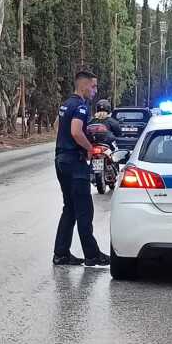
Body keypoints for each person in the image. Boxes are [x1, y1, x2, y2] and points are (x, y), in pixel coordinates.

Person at [52, 71, 111, 267]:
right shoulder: (81, 106)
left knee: (69, 208)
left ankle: (61, 253)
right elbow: (76, 131)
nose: (95, 90)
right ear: (84, 86)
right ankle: (92, 255)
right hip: (75, 163)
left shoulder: (66, 104)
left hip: (61, 160)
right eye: (93, 86)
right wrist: (89, 148)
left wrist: (66, 142)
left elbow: (57, 126)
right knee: (84, 209)